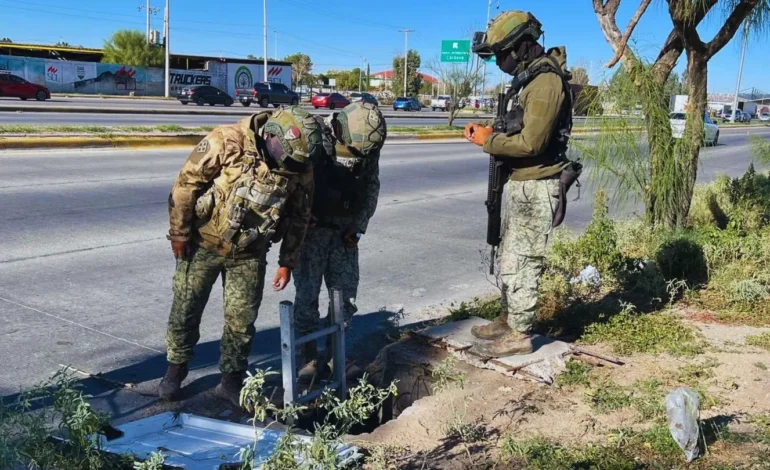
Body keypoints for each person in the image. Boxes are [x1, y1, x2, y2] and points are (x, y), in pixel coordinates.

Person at [159, 106, 322, 404]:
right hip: (203, 244)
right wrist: (179, 233)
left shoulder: (301, 167)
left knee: (241, 320)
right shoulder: (227, 140)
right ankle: (175, 370)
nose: (288, 165)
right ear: (273, 137)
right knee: (186, 307)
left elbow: (301, 216)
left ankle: (231, 381)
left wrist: (287, 261)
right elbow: (185, 185)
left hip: (250, 253)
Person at [464, 10, 574, 357]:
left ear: (523, 46)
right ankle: (510, 318)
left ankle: (521, 333)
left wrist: (487, 141)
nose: (498, 62)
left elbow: (532, 144)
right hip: (522, 181)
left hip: (538, 184)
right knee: (510, 255)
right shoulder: (529, 80)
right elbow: (519, 129)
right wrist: (495, 131)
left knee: (525, 260)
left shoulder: (545, 83)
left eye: (501, 54)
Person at [292, 101, 386, 381]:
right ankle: (308, 358)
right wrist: (297, 219)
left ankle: (336, 355)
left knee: (345, 298)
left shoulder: (368, 141)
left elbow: (371, 186)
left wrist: (359, 227)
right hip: (311, 234)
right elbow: (289, 181)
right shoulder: (312, 135)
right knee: (307, 298)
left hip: (344, 234)